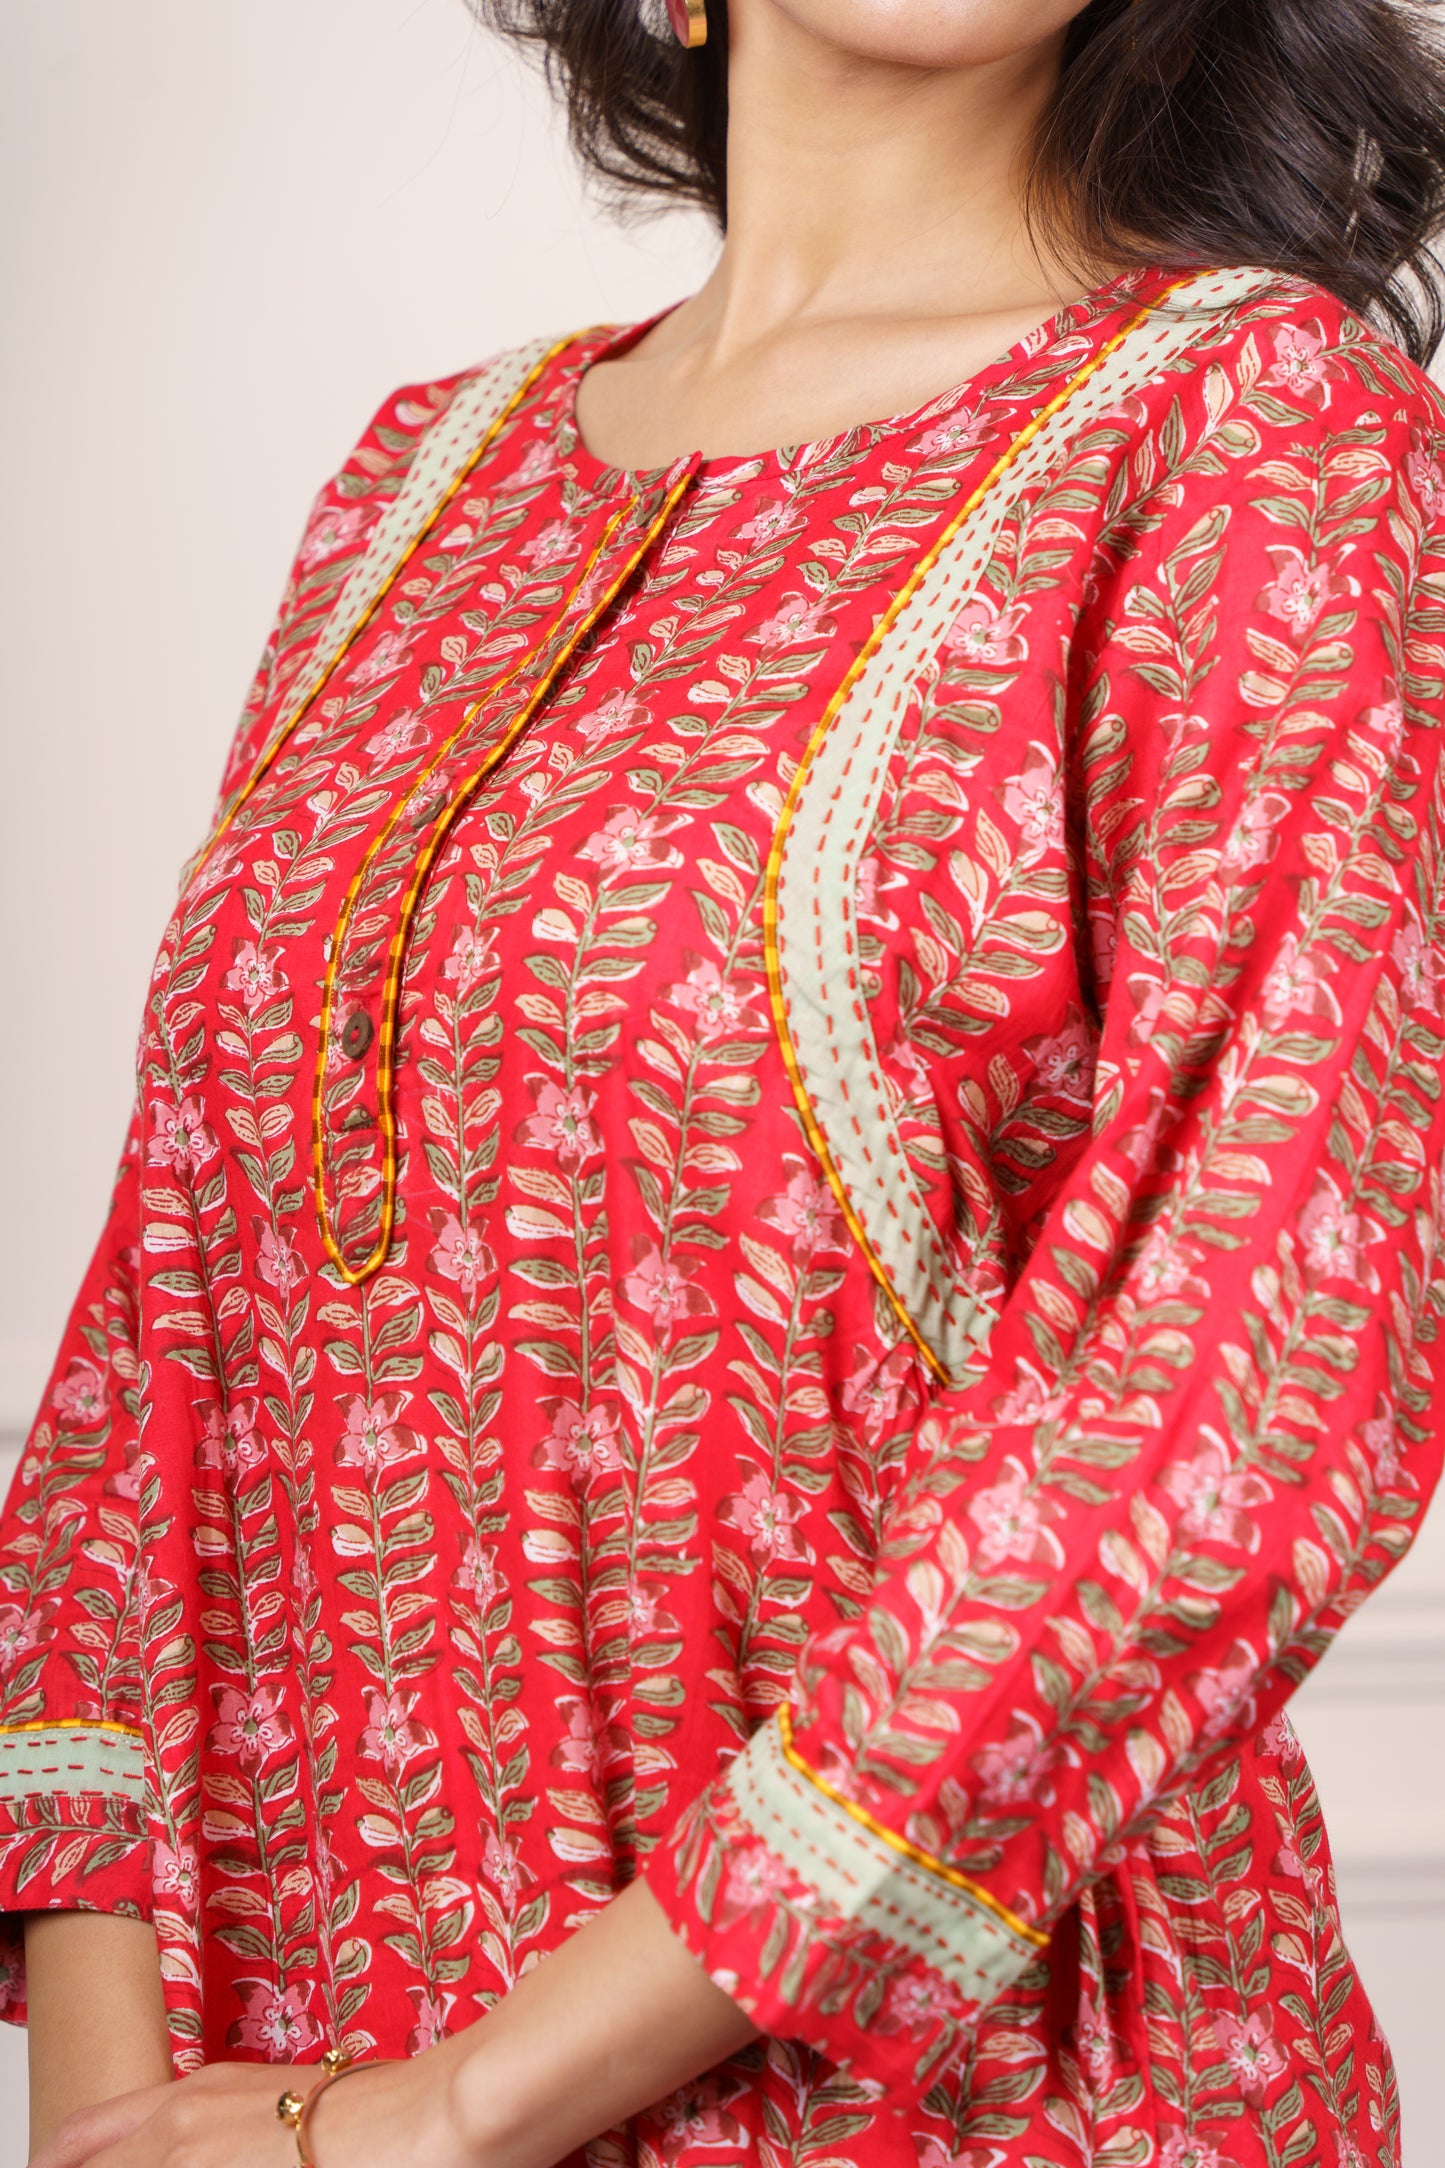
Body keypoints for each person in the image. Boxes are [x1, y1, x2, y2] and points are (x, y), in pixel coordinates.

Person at [7, 1, 1445, 2163]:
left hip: (949, 2100)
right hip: (302, 2073)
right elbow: (159, 1335)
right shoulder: (424, 479)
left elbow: (1250, 1379)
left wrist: (469, 2103)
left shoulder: (1253, 429)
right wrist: (110, 2106)